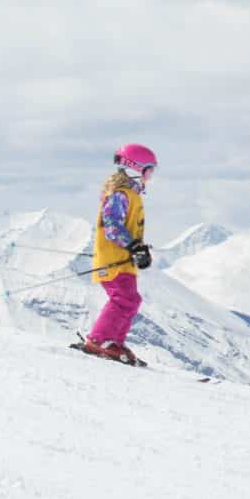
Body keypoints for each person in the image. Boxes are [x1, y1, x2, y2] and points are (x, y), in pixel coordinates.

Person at [81, 144, 157, 365]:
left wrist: (139, 249)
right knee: (123, 299)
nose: (150, 177)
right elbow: (112, 226)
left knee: (131, 300)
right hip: (113, 259)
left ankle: (114, 342)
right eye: (148, 171)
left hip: (123, 260)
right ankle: (98, 340)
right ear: (134, 168)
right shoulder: (119, 195)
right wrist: (133, 246)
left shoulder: (132, 195)